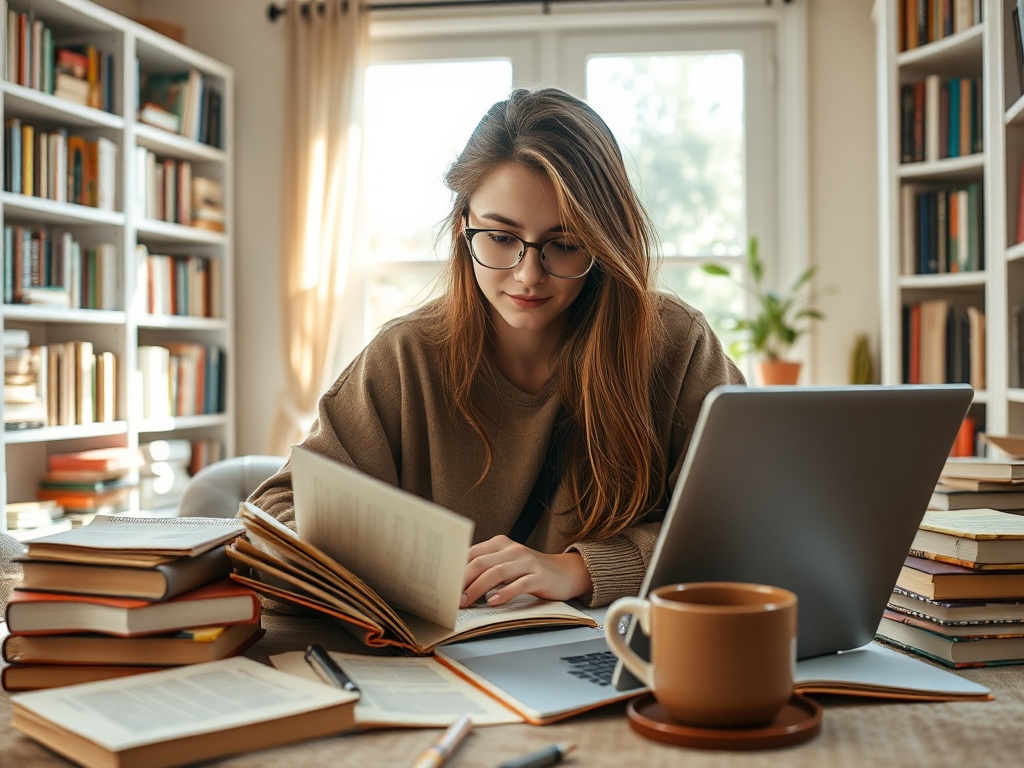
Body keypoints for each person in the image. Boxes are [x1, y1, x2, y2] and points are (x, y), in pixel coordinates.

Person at [249, 87, 744, 609]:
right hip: (437, 668)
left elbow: (748, 522)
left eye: (567, 243)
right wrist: (397, 566)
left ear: (604, 241)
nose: (528, 275)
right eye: (501, 238)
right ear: (464, 224)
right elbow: (275, 512)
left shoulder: (675, 344)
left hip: (615, 656)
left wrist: (577, 569)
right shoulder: (406, 356)